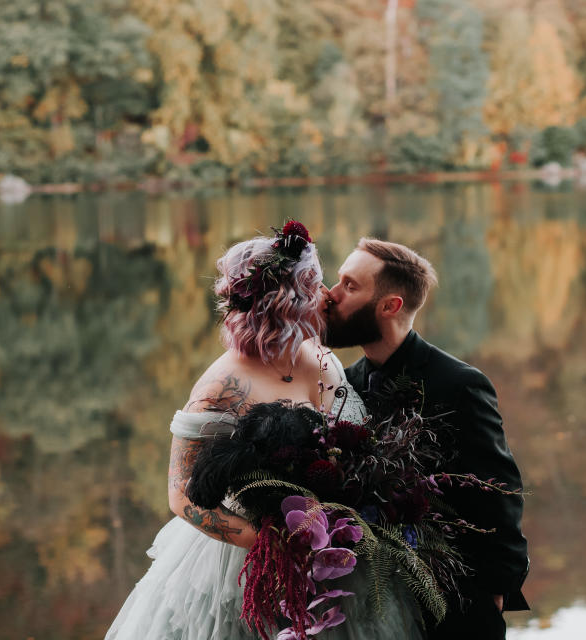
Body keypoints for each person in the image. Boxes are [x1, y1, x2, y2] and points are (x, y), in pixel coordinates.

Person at [105, 223, 424, 640]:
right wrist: (274, 545)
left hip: (344, 552)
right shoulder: (221, 386)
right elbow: (181, 494)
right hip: (253, 562)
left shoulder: (320, 354)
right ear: (287, 304)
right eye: (315, 286)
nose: (327, 294)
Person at [324, 238, 529, 639]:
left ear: (390, 306)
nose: (331, 296)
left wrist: (495, 592)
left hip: (456, 597)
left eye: (349, 286)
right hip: (375, 597)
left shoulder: (460, 384)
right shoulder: (343, 383)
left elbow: (499, 492)